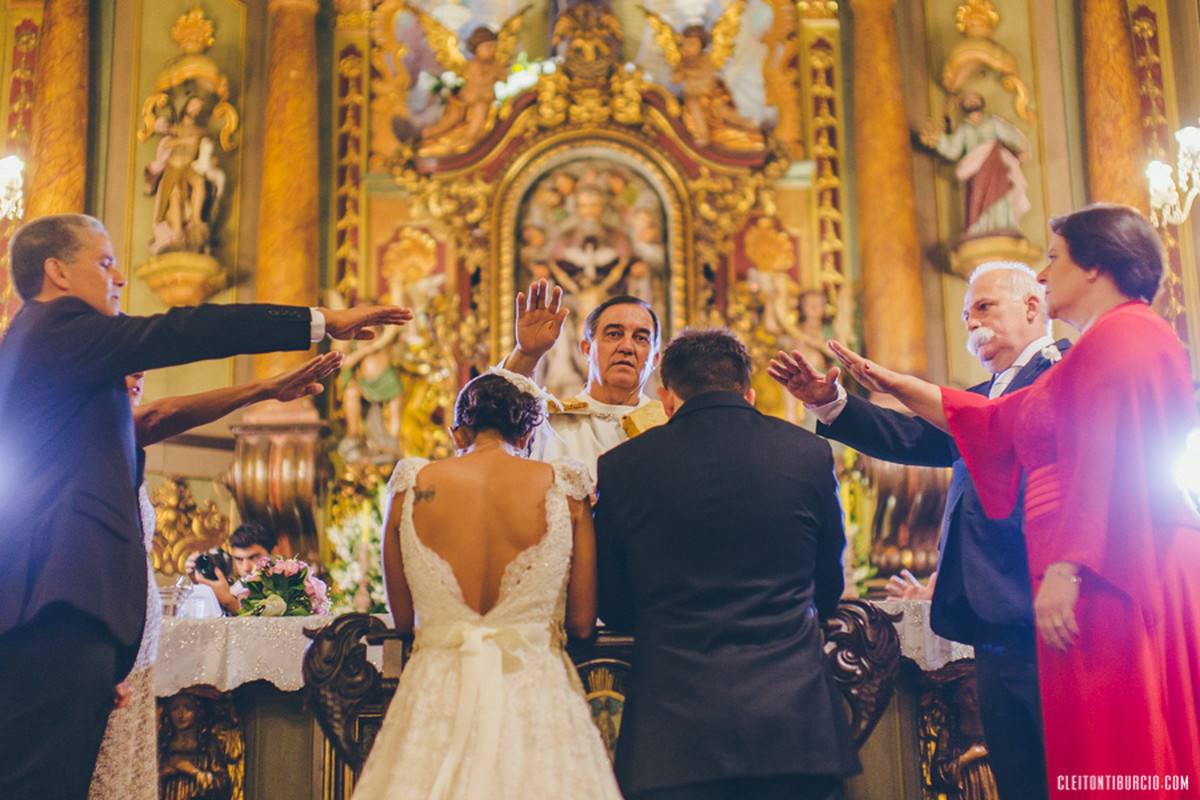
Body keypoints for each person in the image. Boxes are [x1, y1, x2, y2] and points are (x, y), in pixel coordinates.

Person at [0, 213, 411, 800]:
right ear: (57, 272)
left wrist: (265, 390)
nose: (119, 277)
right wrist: (320, 321)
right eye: (105, 262)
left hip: (63, 622)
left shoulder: (50, 349)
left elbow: (149, 420)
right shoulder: (57, 327)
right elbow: (183, 331)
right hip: (57, 617)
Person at [816, 205, 1200, 797]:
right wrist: (890, 383)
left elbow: (1106, 464)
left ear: (1094, 265)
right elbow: (993, 421)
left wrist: (1067, 567)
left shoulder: (1122, 337)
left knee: (1119, 750)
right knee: (1079, 760)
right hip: (1087, 573)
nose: (1043, 274)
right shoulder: (1095, 348)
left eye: (1053, 257)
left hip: (1112, 571)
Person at [769, 261, 1065, 800]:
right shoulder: (987, 392)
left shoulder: (1060, 375)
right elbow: (910, 437)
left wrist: (898, 383)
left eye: (984, 307)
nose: (971, 322)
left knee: (1062, 770)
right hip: (994, 617)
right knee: (1020, 776)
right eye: (966, 313)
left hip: (1043, 606)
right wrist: (828, 402)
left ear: (1031, 307)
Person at [594, 328, 860, 800]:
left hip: (672, 735)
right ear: (749, 393)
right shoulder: (807, 453)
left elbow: (613, 604)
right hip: (796, 729)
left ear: (667, 398)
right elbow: (827, 587)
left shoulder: (622, 466)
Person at [351, 371, 622, 800]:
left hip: (436, 693)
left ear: (458, 432)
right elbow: (582, 623)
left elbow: (402, 621)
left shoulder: (410, 487)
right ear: (528, 434)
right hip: (533, 691)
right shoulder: (565, 488)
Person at [88, 355, 339, 800]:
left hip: (134, 660)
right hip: (107, 655)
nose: (140, 372)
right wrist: (264, 389)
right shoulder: (93, 434)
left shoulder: (120, 443)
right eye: (123, 358)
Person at [502, 279, 665, 478]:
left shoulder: (668, 427)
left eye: (641, 338)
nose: (627, 347)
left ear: (655, 359)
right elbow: (490, 435)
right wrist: (526, 355)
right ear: (586, 349)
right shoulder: (548, 425)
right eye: (614, 334)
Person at [920, 91, 1031, 238]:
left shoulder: (992, 121)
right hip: (976, 170)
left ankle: (1004, 225)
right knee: (976, 196)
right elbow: (953, 149)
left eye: (974, 98)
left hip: (996, 165)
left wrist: (1021, 149)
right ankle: (979, 229)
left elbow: (1010, 135)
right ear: (963, 106)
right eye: (968, 99)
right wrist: (938, 140)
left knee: (1002, 194)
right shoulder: (964, 129)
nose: (971, 101)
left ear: (981, 102)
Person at [185, 521, 281, 615]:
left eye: (253, 558)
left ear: (274, 552)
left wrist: (228, 601)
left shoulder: (286, 584)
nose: (246, 567)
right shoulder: (237, 588)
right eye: (239, 560)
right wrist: (200, 585)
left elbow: (268, 622)